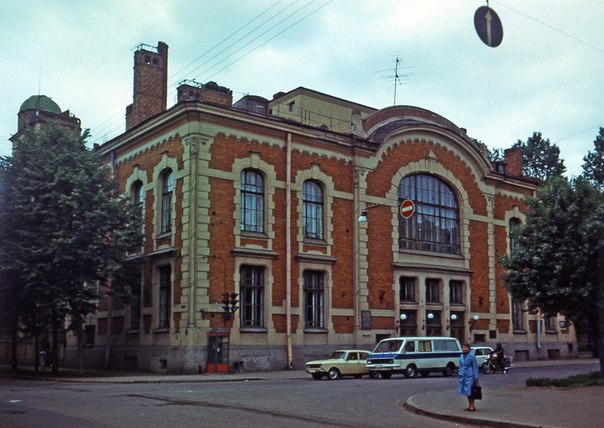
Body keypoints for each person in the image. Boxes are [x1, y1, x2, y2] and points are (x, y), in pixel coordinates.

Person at [458, 342, 480, 412]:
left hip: (470, 375)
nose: (464, 349)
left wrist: (476, 377)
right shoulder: (461, 356)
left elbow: (475, 367)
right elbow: (460, 365)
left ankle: (472, 406)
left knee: (471, 390)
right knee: (466, 391)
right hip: (463, 375)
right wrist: (459, 372)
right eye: (463, 347)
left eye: (466, 347)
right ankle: (470, 405)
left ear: (469, 348)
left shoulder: (472, 356)